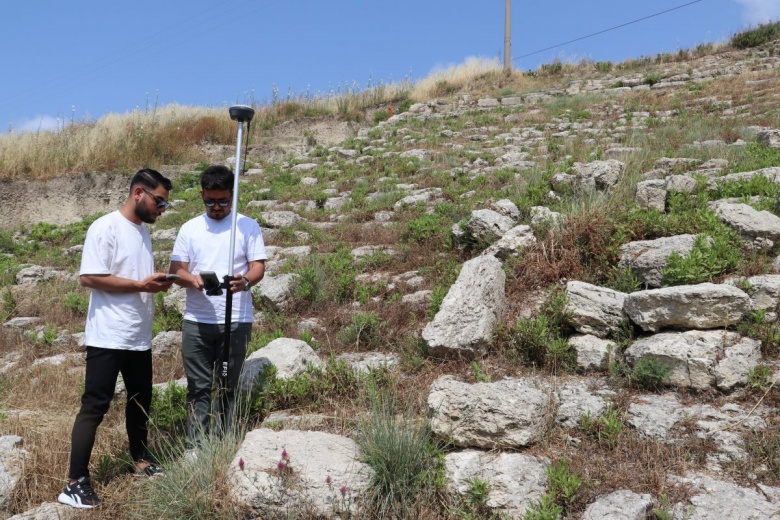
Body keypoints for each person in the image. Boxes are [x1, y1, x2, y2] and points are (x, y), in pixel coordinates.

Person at [58, 168, 175, 509]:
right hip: (108, 335)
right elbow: (90, 277)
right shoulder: (105, 227)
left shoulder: (143, 232)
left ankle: (140, 459)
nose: (162, 209)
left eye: (165, 203)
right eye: (159, 200)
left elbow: (135, 278)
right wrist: (141, 285)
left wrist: (156, 283)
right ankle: (75, 481)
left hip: (138, 334)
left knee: (140, 402)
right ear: (139, 192)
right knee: (94, 407)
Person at [169, 164, 267, 449]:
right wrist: (193, 279)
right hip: (197, 321)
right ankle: (196, 445)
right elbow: (177, 270)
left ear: (232, 195)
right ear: (201, 195)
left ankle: (225, 441)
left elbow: (258, 267)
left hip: (235, 320)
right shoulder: (190, 228)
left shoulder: (247, 225)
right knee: (198, 387)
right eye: (209, 201)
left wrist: (245, 282)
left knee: (227, 384)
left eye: (223, 201)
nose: (216, 207)